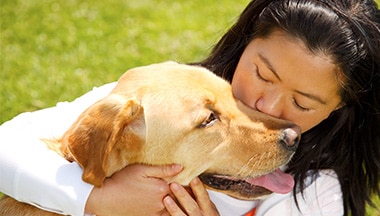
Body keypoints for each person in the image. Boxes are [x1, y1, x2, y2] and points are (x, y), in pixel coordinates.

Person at [0, 0, 379, 215]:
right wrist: (95, 199)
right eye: (262, 74)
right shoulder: (168, 93)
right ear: (244, 43)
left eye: (302, 103)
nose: (268, 109)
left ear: (340, 109)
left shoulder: (316, 193)